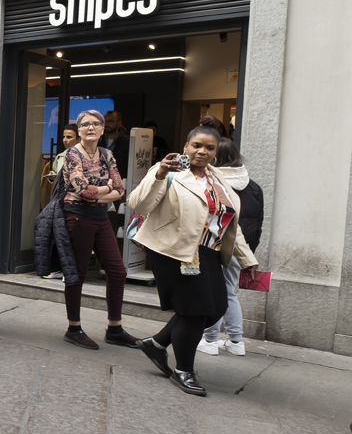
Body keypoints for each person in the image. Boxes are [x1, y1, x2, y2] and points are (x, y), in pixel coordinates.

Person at [130, 125, 257, 396]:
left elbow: (229, 223)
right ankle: (183, 370)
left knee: (217, 307)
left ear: (216, 151)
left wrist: (247, 259)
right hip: (172, 250)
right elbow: (138, 204)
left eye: (209, 148)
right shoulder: (168, 172)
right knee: (194, 311)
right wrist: (160, 174)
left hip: (208, 251)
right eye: (197, 145)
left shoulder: (218, 178)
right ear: (186, 146)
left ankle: (157, 343)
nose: (202, 151)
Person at [58, 110, 140, 349]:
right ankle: (74, 328)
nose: (91, 127)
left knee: (117, 272)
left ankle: (115, 329)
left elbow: (120, 188)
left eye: (96, 124)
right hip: (77, 218)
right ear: (79, 130)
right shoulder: (72, 154)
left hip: (100, 217)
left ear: (103, 129)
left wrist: (98, 194)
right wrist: (104, 191)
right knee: (78, 274)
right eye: (85, 124)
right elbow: (83, 190)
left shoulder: (107, 154)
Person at [199, 138, 264, 357]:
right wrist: (248, 254)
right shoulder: (254, 187)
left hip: (214, 244)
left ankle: (209, 339)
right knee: (229, 292)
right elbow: (258, 224)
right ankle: (236, 341)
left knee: (213, 292)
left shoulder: (214, 184)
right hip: (241, 250)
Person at [102, 110, 129, 178]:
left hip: (120, 180)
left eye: (110, 121)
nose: (107, 124)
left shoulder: (127, 141)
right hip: (101, 179)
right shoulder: (97, 140)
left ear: (119, 123)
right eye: (105, 121)